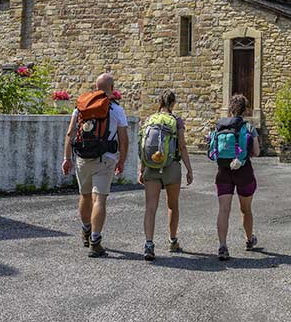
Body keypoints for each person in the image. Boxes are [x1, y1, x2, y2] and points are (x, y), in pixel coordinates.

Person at [62, 73, 128, 258]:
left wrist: (67, 158)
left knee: (85, 195)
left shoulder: (81, 106)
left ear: (96, 86)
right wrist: (121, 160)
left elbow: (70, 133)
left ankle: (85, 230)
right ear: (112, 88)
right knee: (99, 199)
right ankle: (95, 241)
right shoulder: (116, 109)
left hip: (83, 156)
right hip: (105, 157)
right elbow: (123, 139)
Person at [138, 90, 193, 261]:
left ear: (160, 102)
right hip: (171, 167)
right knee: (172, 205)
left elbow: (143, 146)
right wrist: (189, 169)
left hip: (151, 167)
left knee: (150, 207)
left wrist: (142, 168)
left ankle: (149, 244)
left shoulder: (149, 120)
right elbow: (182, 147)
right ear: (173, 103)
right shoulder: (176, 121)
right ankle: (172, 240)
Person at [211, 93, 260, 261]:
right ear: (245, 110)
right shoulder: (249, 127)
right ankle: (248, 239)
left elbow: (212, 150)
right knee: (245, 209)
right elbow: (256, 152)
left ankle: (223, 246)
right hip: (243, 171)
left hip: (223, 171)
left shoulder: (220, 125)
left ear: (230, 108)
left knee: (224, 210)